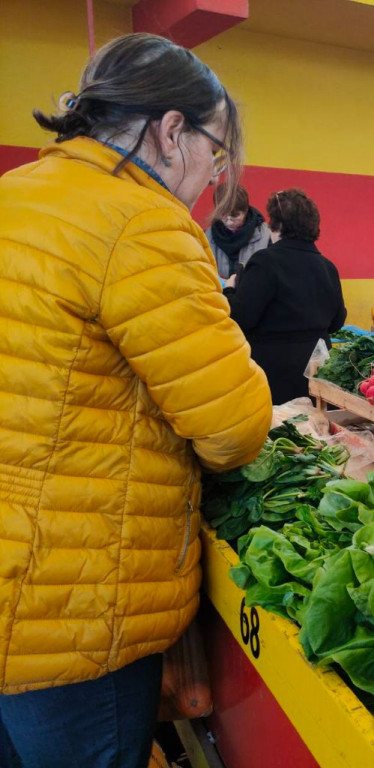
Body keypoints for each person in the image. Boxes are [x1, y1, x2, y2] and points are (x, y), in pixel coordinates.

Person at [0, 33, 272, 767]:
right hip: (74, 609)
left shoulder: (15, 195)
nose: (214, 177)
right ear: (171, 129)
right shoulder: (143, 221)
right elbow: (235, 429)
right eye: (217, 152)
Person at [225, 188, 347, 404]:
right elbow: (337, 321)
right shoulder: (328, 267)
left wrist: (230, 289)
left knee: (278, 435)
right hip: (317, 373)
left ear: (277, 225)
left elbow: (240, 318)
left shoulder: (265, 262)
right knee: (314, 434)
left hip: (273, 376)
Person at [205, 183, 270, 279]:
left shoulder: (266, 235)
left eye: (235, 216)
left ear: (246, 210)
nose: (229, 222)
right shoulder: (207, 236)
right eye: (223, 215)